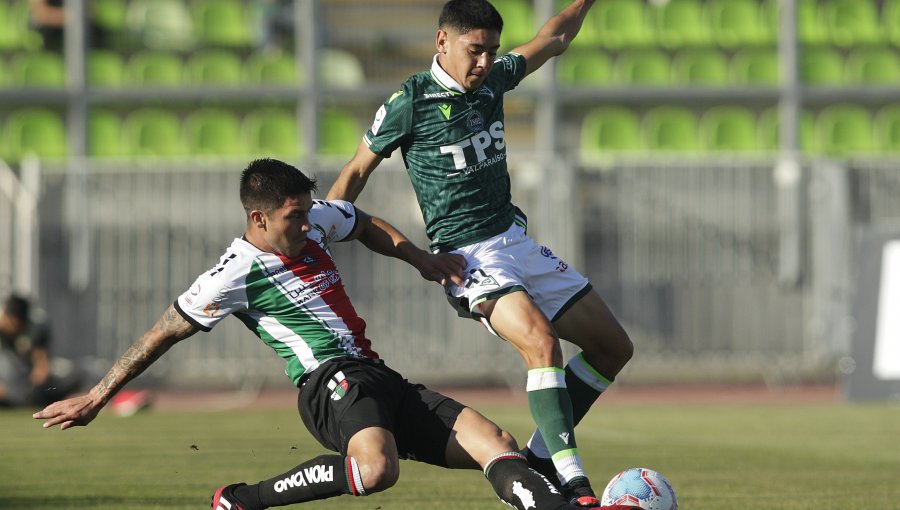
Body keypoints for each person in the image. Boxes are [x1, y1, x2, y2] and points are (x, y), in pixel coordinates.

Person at [33, 158, 592, 510]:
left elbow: (363, 222)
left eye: (306, 214)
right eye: (293, 218)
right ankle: (242, 501)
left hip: (376, 376)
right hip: (328, 383)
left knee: (498, 445)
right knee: (376, 470)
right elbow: (162, 332)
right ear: (258, 219)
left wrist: (419, 259)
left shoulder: (315, 218)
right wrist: (97, 396)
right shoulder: (232, 273)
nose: (307, 225)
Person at [326, 0, 634, 506]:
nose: (486, 62)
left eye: (492, 50)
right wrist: (323, 231)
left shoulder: (493, 79)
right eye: (475, 51)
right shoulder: (411, 100)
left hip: (515, 242)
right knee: (540, 341)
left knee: (612, 348)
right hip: (466, 258)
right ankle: (574, 482)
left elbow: (553, 38)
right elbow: (356, 171)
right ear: (442, 42)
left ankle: (539, 457)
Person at [0, 293, 80, 407]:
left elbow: (41, 368)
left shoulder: (36, 328)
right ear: (6, 316)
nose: (14, 328)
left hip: (24, 382)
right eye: (12, 323)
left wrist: (34, 386)